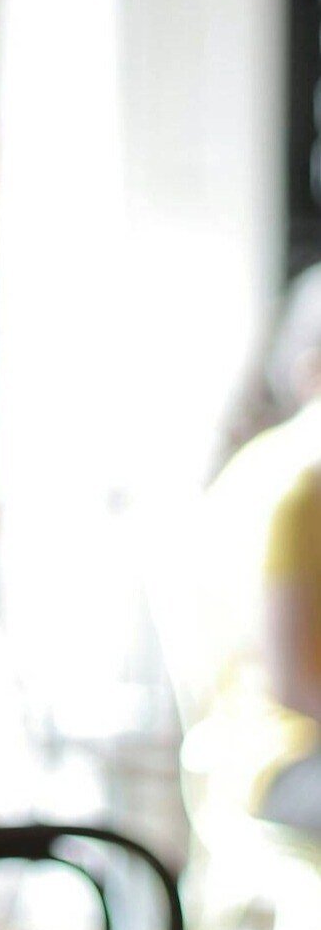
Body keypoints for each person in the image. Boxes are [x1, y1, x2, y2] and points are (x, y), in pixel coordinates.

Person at [188, 265, 321, 838]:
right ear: (311, 370)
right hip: (275, 761)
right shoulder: (301, 483)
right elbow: (293, 687)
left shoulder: (263, 461)